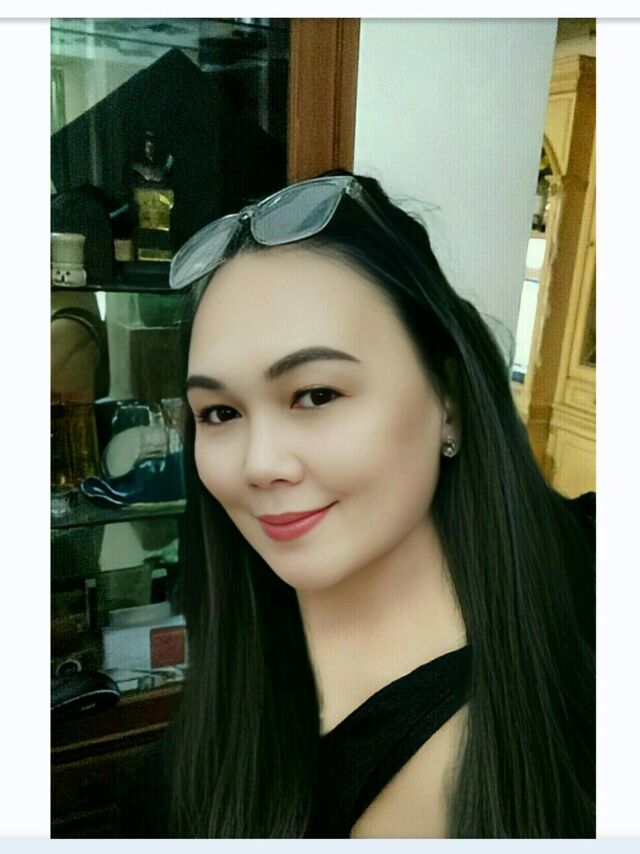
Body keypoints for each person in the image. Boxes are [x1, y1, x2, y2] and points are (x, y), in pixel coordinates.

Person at [119, 171, 595, 838]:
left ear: (449, 399)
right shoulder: (228, 689)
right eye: (220, 412)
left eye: (316, 395)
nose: (260, 464)